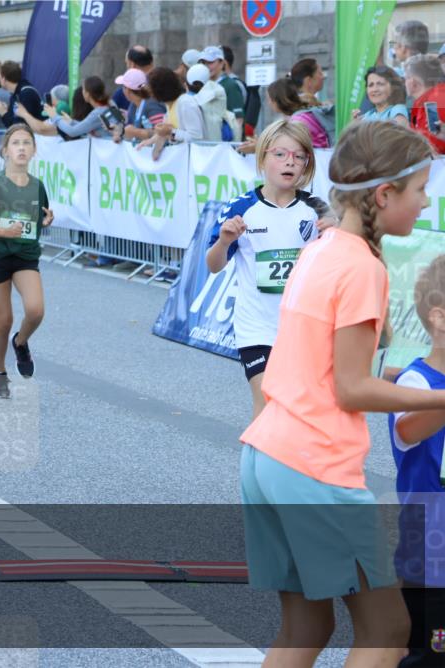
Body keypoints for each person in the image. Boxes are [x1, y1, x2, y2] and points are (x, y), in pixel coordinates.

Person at [240, 120, 438, 666]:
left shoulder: (323, 247)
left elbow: (322, 364)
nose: (426, 202)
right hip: (313, 464)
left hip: (267, 453)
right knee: (388, 629)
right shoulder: (362, 266)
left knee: (307, 625)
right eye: (420, 189)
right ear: (383, 194)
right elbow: (351, 389)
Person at [206, 119, 335, 417]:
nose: (289, 162)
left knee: (299, 411)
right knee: (268, 404)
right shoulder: (240, 208)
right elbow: (213, 266)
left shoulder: (318, 209)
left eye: (299, 156)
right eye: (280, 154)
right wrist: (224, 242)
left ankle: (286, 464)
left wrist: (335, 235)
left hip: (303, 327)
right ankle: (256, 463)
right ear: (263, 157)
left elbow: (334, 267)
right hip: (257, 328)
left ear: (307, 164)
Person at [387, 255, 445, 668]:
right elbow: (407, 431)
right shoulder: (414, 382)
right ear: (439, 317)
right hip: (431, 547)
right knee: (431, 653)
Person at [0, 125, 53, 398]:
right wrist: (5, 232)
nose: (21, 148)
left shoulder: (37, 186)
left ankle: (20, 342)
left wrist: (46, 220)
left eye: (26, 143)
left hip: (25, 256)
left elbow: (36, 219)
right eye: (15, 143)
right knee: (4, 319)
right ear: (5, 151)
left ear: (33, 151)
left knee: (35, 310)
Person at [137, 66, 204, 159]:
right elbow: (169, 132)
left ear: (161, 90)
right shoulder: (170, 104)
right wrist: (149, 141)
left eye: (152, 90)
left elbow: (197, 137)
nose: (151, 94)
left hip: (195, 161)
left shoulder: (186, 103)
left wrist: (171, 131)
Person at [50, 76, 115, 139]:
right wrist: (71, 121)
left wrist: (55, 117)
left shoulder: (98, 112)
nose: (82, 92)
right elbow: (87, 126)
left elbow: (72, 132)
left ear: (87, 94)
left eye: (83, 89)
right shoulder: (109, 104)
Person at [404, 54, 445, 154]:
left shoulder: (433, 103)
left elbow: (435, 147)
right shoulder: (430, 100)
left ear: (412, 82)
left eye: (405, 78)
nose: (404, 83)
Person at [0, 61, 45, 128]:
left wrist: (3, 112)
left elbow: (19, 127)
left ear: (3, 79)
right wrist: (4, 111)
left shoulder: (26, 94)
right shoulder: (16, 94)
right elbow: (12, 124)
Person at [116, 68, 165, 142]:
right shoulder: (134, 105)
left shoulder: (152, 105)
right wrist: (120, 133)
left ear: (128, 90)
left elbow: (163, 133)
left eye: (123, 87)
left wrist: (136, 132)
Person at [186, 63, 227, 142]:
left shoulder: (215, 90)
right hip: (206, 144)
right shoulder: (189, 98)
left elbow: (200, 99)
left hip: (213, 143)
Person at [112, 45, 154, 111]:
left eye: (127, 63)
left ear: (132, 64)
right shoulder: (166, 80)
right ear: (151, 63)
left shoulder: (125, 91)